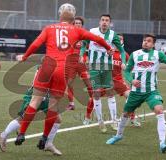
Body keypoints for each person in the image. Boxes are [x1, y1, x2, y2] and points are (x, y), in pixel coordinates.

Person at [14, 3, 113, 155]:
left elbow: (35, 44)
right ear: (74, 17)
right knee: (53, 105)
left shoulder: (49, 28)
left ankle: (21, 133)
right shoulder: (77, 30)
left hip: (47, 66)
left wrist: (25, 56)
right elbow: (97, 39)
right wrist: (109, 48)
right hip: (61, 69)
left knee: (35, 101)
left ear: (59, 15)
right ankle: (44, 137)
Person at [106, 34, 166, 153]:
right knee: (125, 114)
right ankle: (119, 135)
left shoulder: (157, 54)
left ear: (153, 44)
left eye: (149, 41)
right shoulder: (135, 54)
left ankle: (162, 143)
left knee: (159, 110)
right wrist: (132, 81)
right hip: (135, 92)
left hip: (151, 91)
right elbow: (127, 72)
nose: (146, 42)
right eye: (144, 40)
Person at [80, 14, 126, 133]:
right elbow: (84, 44)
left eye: (107, 20)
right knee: (96, 93)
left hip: (106, 66)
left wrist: (124, 62)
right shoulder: (92, 32)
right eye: (102, 20)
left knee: (110, 92)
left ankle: (114, 120)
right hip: (94, 66)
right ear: (99, 22)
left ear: (109, 23)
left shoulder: (112, 35)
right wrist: (81, 55)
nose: (104, 22)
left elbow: (121, 50)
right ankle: (100, 121)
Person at [83, 34, 141, 128]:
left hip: (118, 81)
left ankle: (133, 118)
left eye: (121, 39)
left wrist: (132, 78)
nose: (119, 41)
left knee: (130, 97)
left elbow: (131, 68)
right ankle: (88, 117)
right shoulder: (107, 51)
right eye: (118, 39)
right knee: (94, 97)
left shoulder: (124, 55)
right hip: (104, 80)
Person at [0, 71, 62, 155]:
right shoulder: (46, 66)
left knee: (57, 119)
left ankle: (48, 143)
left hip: (48, 96)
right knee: (23, 118)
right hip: (36, 95)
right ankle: (4, 135)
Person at [66, 16, 92, 110]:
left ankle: (93, 101)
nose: (77, 24)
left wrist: (88, 59)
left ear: (82, 25)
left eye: (79, 23)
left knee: (88, 82)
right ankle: (71, 103)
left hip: (82, 63)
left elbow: (90, 48)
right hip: (70, 62)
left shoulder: (85, 35)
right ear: (73, 24)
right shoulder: (68, 34)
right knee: (69, 83)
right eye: (76, 23)